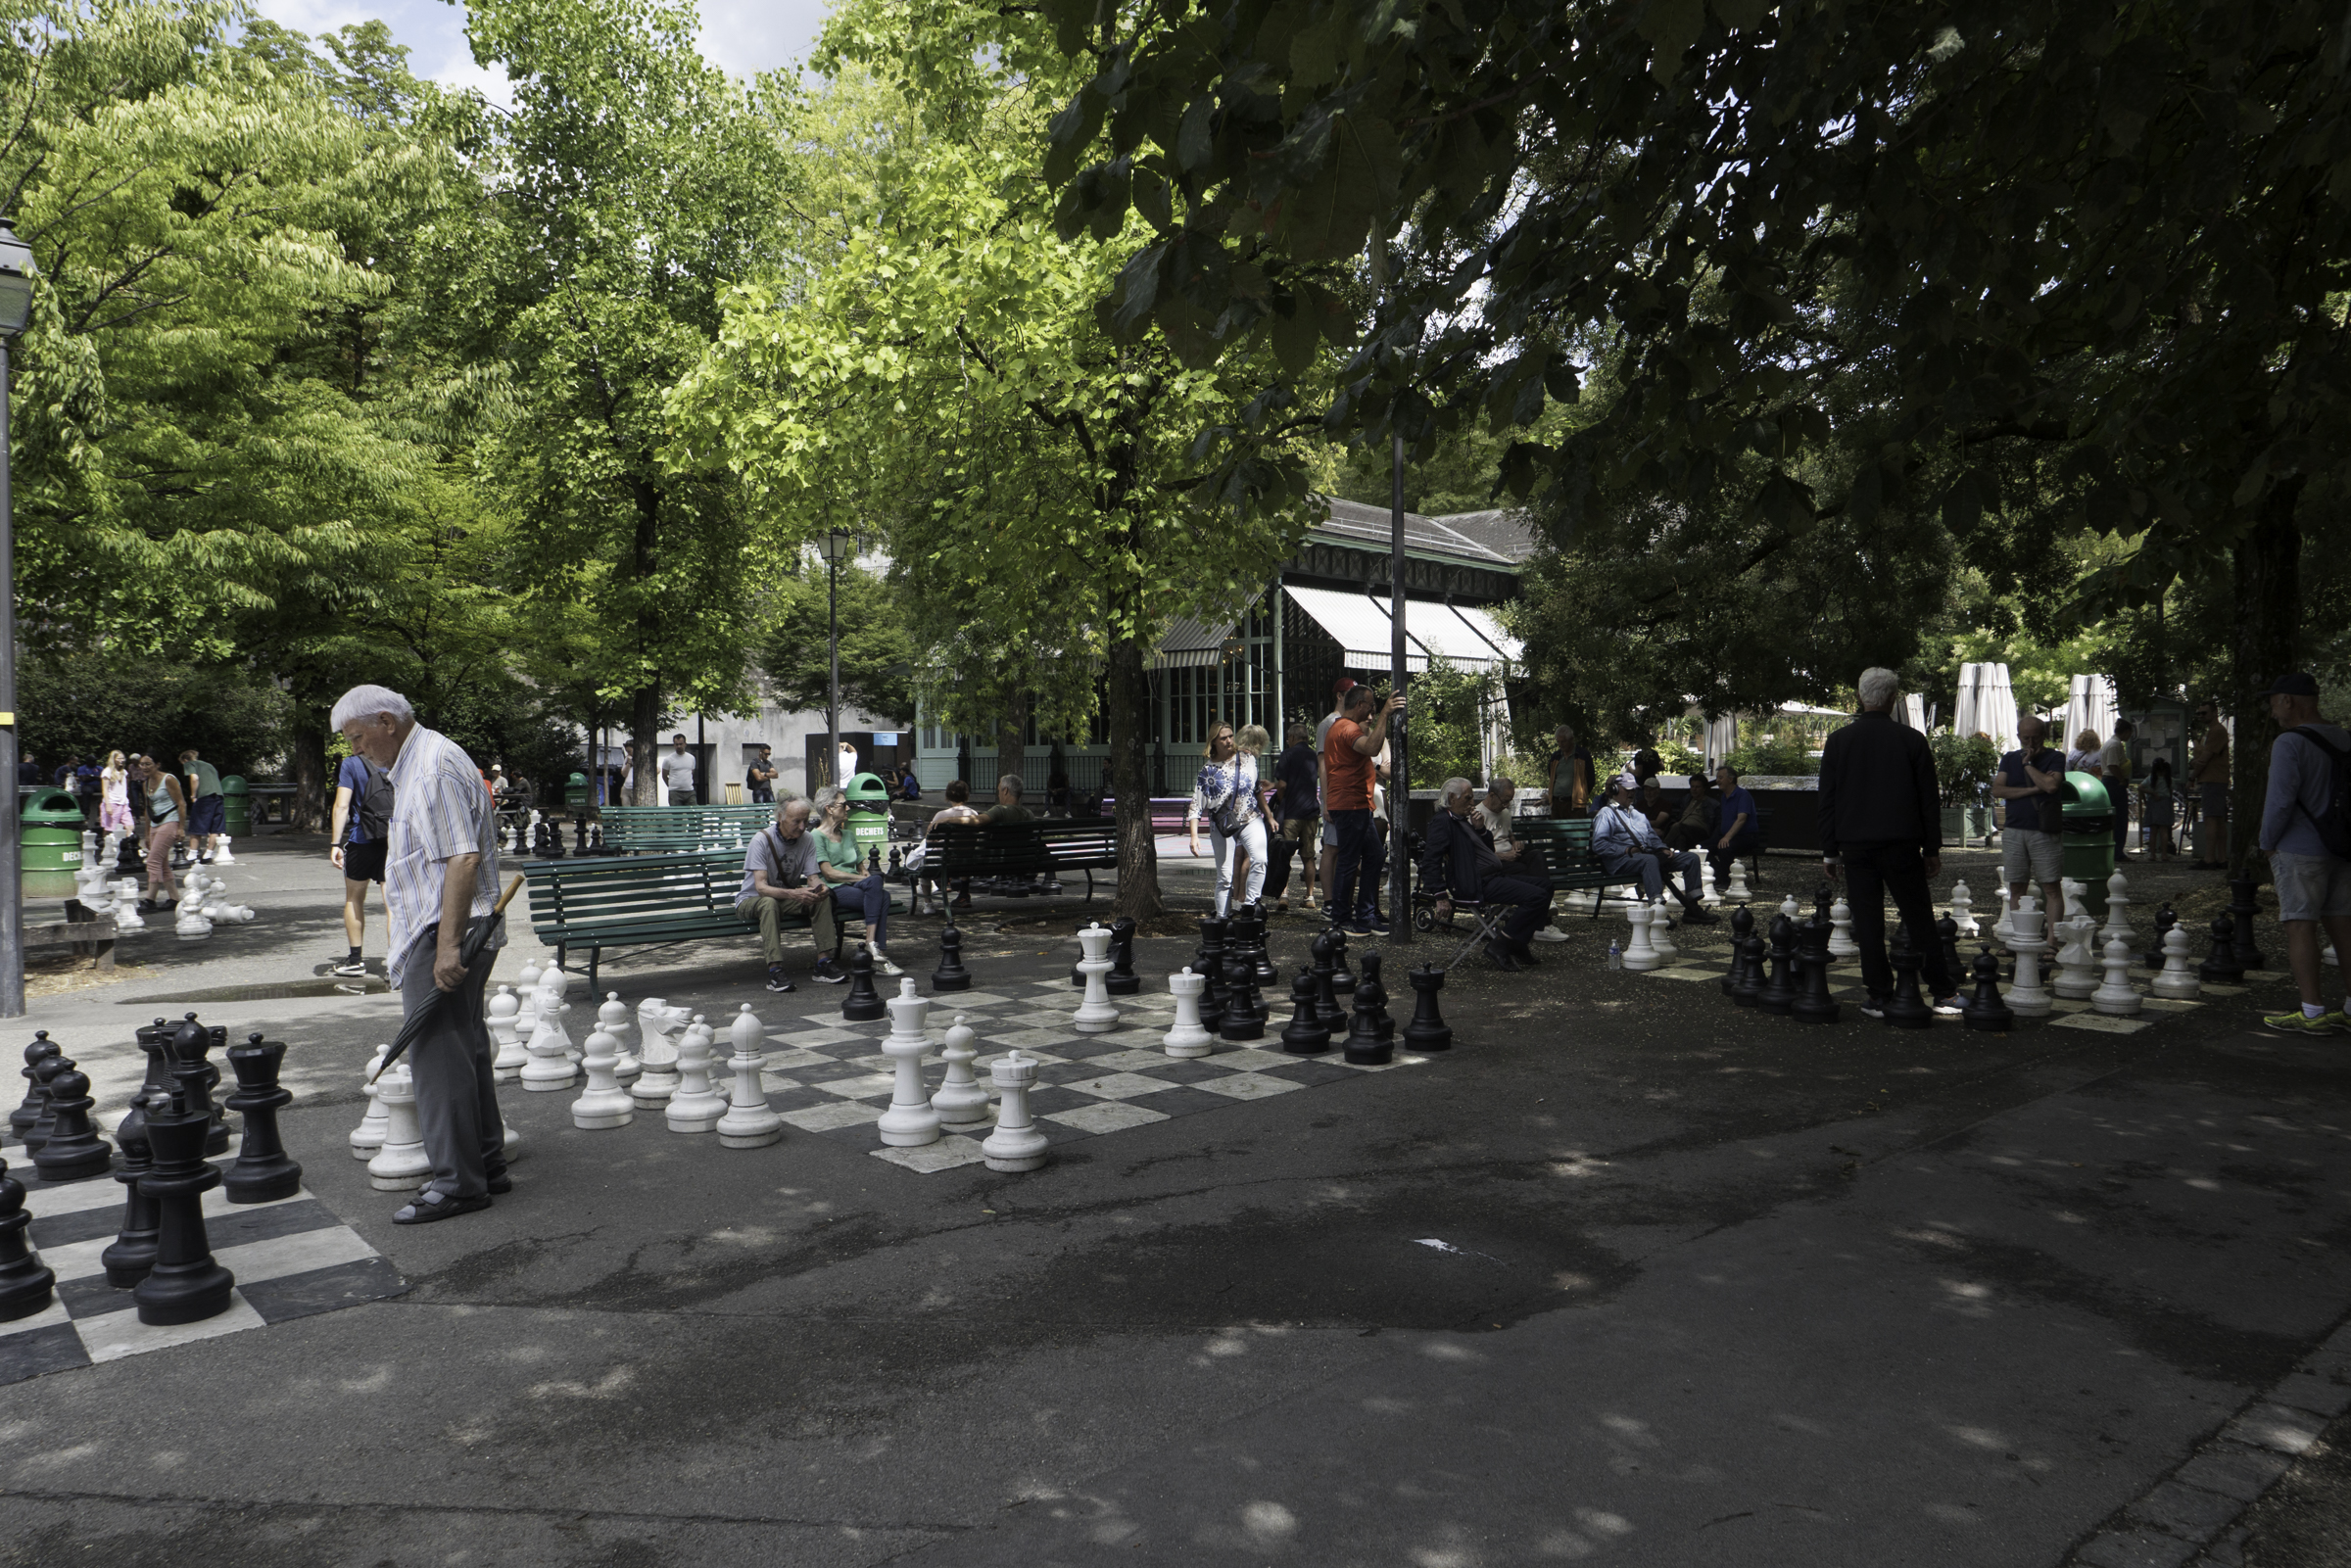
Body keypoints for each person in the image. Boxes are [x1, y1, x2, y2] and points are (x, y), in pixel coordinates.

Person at [332, 684, 506, 1224]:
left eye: (358, 738)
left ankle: (459, 1183)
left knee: (436, 1056)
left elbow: (462, 859)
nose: (355, 751)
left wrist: (448, 946)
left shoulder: (431, 767)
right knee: (463, 1045)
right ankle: (483, 1163)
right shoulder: (419, 762)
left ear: (386, 721)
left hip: (445, 929)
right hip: (445, 926)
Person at [1818, 668, 1960, 1017]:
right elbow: (1928, 799)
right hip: (1901, 842)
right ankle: (1942, 990)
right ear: (1893, 699)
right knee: (1918, 917)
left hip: (1855, 844)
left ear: (1860, 697)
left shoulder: (1838, 741)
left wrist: (1830, 851)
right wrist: (1932, 848)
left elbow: (1828, 799)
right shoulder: (1912, 740)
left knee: (1868, 922)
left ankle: (1879, 995)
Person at [2254, 673, 2351, 1035]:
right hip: (2342, 847)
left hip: (2300, 848)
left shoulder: (2289, 742)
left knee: (2300, 924)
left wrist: (2266, 842)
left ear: (2289, 701)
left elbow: (2279, 800)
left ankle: (2312, 1011)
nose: (2272, 709)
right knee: (2344, 925)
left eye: (2273, 701)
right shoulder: (2344, 737)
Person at [1425, 777, 1554, 970]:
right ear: (1452, 798)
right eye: (1468, 798)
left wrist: (1481, 830)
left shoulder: (1462, 820)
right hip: (1475, 883)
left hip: (1491, 876)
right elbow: (1430, 861)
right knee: (1537, 896)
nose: (1472, 803)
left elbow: (1486, 851)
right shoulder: (1443, 822)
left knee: (1546, 886)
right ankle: (1501, 945)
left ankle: (1518, 942)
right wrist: (1440, 895)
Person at [1323, 684, 1406, 934]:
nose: (1371, 712)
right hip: (1350, 805)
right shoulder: (1347, 728)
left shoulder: (1342, 727)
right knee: (1349, 861)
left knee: (1375, 856)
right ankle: (1341, 919)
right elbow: (1371, 749)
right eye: (1369, 707)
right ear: (1359, 705)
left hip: (1357, 804)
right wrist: (1384, 714)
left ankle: (1366, 914)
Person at [1594, 772, 1718, 925]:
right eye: (1627, 789)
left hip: (1645, 857)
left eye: (1634, 789)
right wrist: (1626, 850)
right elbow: (1599, 844)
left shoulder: (1638, 814)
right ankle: (1657, 911)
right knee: (1650, 860)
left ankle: (1692, 909)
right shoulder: (1606, 814)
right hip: (1620, 861)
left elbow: (1652, 837)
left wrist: (1662, 848)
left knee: (1691, 858)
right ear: (1615, 790)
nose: (1632, 793)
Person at [736, 797, 829, 992]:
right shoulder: (761, 840)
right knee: (769, 903)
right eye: (796, 821)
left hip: (783, 899)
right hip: (752, 900)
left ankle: (824, 964)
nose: (802, 826)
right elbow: (761, 888)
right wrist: (794, 894)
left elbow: (813, 877)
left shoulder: (808, 839)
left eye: (806, 821)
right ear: (780, 817)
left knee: (820, 899)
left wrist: (820, 887)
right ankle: (775, 971)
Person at [1991, 715, 2066, 929]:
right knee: (2016, 888)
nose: (2030, 744)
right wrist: (2034, 788)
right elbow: (1998, 790)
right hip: (2014, 830)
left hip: (2044, 830)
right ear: (2018, 737)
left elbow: (2051, 787)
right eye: (2026, 739)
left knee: (2051, 888)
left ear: (2044, 736)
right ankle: (2019, 937)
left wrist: (2028, 765)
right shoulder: (2008, 758)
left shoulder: (2056, 757)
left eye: (2035, 738)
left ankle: (2052, 941)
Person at [812, 785, 895, 976]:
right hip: (835, 889)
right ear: (829, 808)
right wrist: (863, 878)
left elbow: (862, 868)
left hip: (857, 886)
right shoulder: (816, 837)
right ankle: (877, 952)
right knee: (883, 897)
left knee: (875, 884)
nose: (848, 808)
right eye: (844, 804)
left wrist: (865, 876)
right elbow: (829, 873)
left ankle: (872, 946)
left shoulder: (848, 835)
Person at [1187, 722, 1267, 918]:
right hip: (1223, 825)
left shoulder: (1247, 758)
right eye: (1223, 738)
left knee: (1260, 859)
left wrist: (1269, 815)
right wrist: (1194, 836)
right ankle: (1222, 919)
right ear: (1213, 741)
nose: (1229, 741)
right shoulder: (1208, 771)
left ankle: (1250, 906)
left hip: (1250, 818)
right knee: (1225, 877)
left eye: (1231, 736)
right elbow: (1196, 805)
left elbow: (1255, 788)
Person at [329, 742, 395, 978]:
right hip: (395, 840)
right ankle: (396, 964)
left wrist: (335, 844)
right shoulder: (395, 759)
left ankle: (355, 960)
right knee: (393, 905)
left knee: (354, 898)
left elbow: (342, 805)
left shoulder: (350, 763)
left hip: (361, 839)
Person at [1316, 678, 1358, 905]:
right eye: (1348, 693)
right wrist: (1326, 799)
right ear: (1339, 696)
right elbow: (1323, 763)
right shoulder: (1328, 724)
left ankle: (1343, 900)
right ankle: (1330, 902)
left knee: (1346, 849)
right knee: (1331, 847)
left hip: (1349, 795)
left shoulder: (1352, 722)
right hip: (1335, 794)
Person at [1271, 722, 1319, 913]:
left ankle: (1284, 895)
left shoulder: (1287, 754)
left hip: (1292, 812)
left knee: (1285, 855)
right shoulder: (1313, 755)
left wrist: (1282, 801)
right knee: (1308, 856)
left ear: (1291, 737)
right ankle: (1310, 896)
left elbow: (1282, 785)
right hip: (1311, 812)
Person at [135, 756, 187, 910]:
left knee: (152, 861)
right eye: (142, 764)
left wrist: (181, 828)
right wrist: (146, 832)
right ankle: (174, 899)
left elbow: (181, 803)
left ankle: (150, 900)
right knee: (162, 864)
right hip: (155, 824)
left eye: (148, 764)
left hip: (170, 822)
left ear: (157, 764)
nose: (144, 767)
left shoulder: (168, 779)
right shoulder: (146, 783)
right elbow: (147, 808)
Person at [927, 779, 984, 911]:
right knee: (964, 850)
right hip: (966, 861)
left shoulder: (941, 815)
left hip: (946, 862)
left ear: (947, 796)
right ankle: (964, 893)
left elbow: (930, 841)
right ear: (966, 795)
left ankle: (940, 885)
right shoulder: (973, 814)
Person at [2190, 698, 2231, 867]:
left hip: (2213, 779)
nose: (2200, 716)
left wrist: (2192, 776)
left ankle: (2210, 858)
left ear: (2215, 713)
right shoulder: (2212, 731)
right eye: (2198, 713)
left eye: (2204, 712)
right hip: (2215, 779)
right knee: (2217, 818)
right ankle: (2220, 858)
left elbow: (2205, 758)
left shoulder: (2216, 731)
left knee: (2211, 819)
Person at [1709, 766, 1758, 888]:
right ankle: (1719, 874)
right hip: (1728, 835)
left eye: (1720, 778)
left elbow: (1741, 819)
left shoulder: (1743, 795)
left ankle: (1726, 882)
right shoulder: (1724, 796)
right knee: (1703, 848)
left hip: (1744, 836)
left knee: (1725, 847)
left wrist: (1727, 837)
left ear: (1730, 779)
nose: (1717, 781)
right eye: (1717, 778)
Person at [179, 748, 226, 863]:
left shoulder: (190, 763)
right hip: (219, 796)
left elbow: (194, 778)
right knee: (215, 827)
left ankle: (192, 854)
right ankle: (208, 855)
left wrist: (193, 795)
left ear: (185, 760)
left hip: (204, 797)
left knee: (197, 825)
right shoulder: (209, 765)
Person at [2100, 718, 2135, 858]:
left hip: (2109, 781)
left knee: (2114, 817)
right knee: (2120, 818)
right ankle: (2117, 851)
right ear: (2125, 732)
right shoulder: (2115, 745)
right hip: (2113, 782)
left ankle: (2115, 849)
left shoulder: (2110, 743)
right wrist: (2121, 779)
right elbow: (2112, 765)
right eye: (2130, 733)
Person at [1547, 726, 1595, 817]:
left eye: (1563, 741)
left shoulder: (1583, 755)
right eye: (1558, 742)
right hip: (1557, 804)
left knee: (1576, 830)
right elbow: (1551, 776)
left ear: (1571, 739)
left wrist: (1581, 794)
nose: (1561, 744)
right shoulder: (1555, 757)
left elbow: (1591, 779)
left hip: (1576, 805)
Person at [1666, 773, 1715, 851]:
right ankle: (1680, 860)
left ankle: (1662, 848)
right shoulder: (1687, 799)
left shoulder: (1711, 803)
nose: (1694, 789)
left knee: (1677, 826)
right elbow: (1673, 801)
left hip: (1700, 833)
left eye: (1697, 787)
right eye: (1692, 786)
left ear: (1704, 788)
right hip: (1684, 830)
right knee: (1680, 838)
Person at [2143, 756, 2177, 861]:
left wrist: (2153, 793)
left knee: (2153, 831)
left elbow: (2140, 787)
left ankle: (2152, 855)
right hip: (2165, 804)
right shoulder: (2170, 780)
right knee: (2164, 831)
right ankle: (2164, 855)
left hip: (2153, 803)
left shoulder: (2150, 779)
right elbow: (2171, 792)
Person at [98, 750, 133, 835]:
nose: (122, 760)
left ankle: (128, 845)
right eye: (119, 758)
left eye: (123, 758)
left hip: (123, 802)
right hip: (112, 802)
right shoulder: (107, 771)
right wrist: (107, 805)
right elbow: (105, 789)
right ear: (113, 759)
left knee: (130, 826)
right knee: (110, 829)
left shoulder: (124, 772)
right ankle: (107, 845)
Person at [660, 734, 698, 806]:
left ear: (685, 744)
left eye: (681, 744)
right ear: (674, 745)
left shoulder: (691, 758)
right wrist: (671, 786)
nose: (679, 746)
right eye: (676, 744)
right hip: (675, 792)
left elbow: (692, 772)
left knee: (694, 814)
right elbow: (664, 775)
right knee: (677, 815)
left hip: (689, 791)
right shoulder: (668, 759)